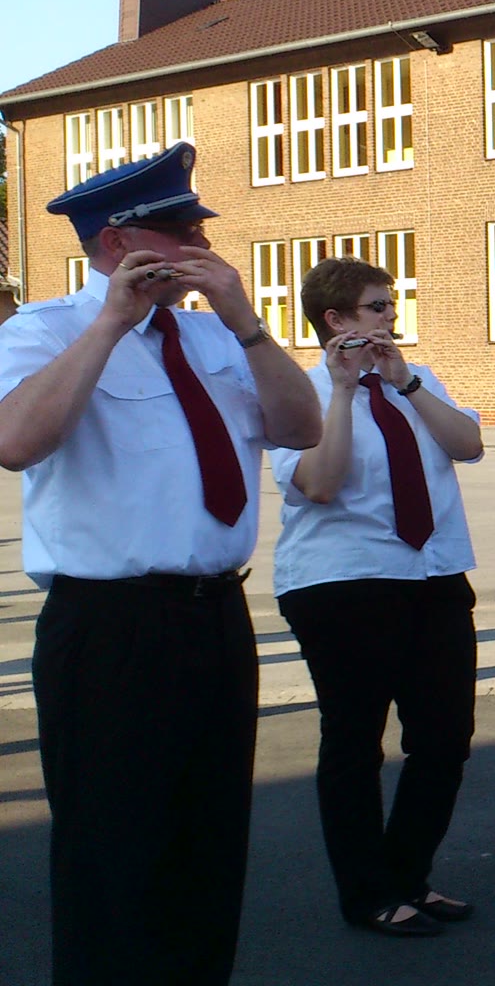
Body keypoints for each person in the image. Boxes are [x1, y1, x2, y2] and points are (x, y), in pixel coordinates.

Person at [0, 142, 322, 983]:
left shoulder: (217, 338)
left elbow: (302, 427)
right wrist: (110, 324)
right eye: (183, 231)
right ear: (118, 243)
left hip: (216, 615)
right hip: (111, 628)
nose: (202, 245)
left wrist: (248, 323)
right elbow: (17, 441)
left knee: (209, 846)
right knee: (114, 854)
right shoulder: (45, 331)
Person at [270, 256, 486, 936]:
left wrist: (407, 383)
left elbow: (468, 445)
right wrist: (343, 392)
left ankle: (407, 875)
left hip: (433, 575)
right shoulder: (300, 393)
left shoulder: (417, 381)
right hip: (342, 583)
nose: (392, 316)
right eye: (378, 306)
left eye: (392, 304)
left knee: (445, 740)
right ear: (335, 319)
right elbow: (320, 484)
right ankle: (367, 894)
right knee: (356, 743)